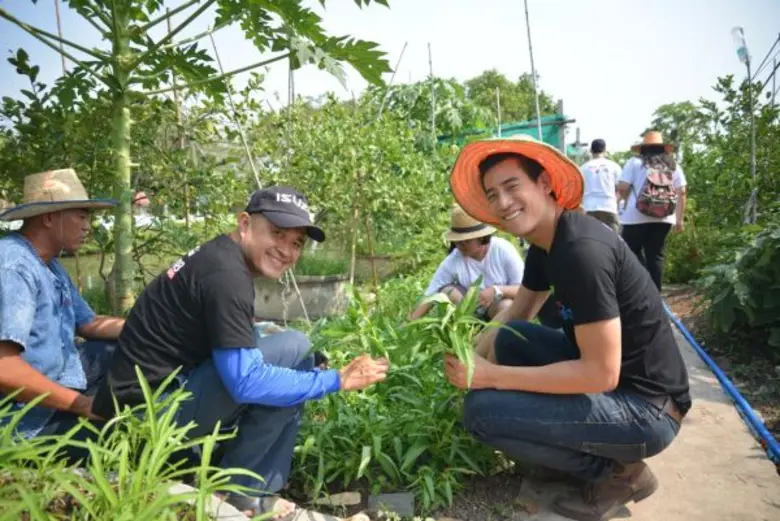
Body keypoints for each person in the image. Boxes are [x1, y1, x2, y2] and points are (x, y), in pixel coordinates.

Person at [92, 186, 389, 520]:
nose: (286, 251)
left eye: (296, 243)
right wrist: (336, 380)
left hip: (150, 403)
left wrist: (306, 369)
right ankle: (241, 491)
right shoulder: (226, 275)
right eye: (277, 233)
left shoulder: (220, 257)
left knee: (297, 353)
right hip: (146, 422)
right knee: (294, 351)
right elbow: (243, 382)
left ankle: (244, 488)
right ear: (245, 223)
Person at [446, 135, 691, 521]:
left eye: (513, 187)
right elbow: (517, 314)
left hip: (647, 411)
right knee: (512, 339)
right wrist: (469, 350)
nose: (503, 202)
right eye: (492, 194)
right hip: (620, 388)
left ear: (544, 184)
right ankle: (567, 454)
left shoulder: (581, 252)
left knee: (481, 412)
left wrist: (493, 377)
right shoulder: (546, 244)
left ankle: (618, 474)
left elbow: (600, 373)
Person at [0, 169, 125, 451]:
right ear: (49, 218)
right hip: (19, 418)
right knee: (119, 436)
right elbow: (4, 367)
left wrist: (151, 327)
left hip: (58, 373)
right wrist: (81, 405)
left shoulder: (49, 263)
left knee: (121, 351)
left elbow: (89, 323)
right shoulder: (13, 265)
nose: (87, 226)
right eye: (81, 216)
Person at [408, 204, 524, 321]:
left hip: (497, 307)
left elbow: (524, 289)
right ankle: (467, 329)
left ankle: (494, 335)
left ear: (481, 237)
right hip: (471, 311)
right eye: (458, 242)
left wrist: (497, 290)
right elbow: (431, 293)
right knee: (447, 292)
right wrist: (409, 324)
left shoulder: (502, 250)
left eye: (467, 241)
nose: (461, 246)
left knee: (506, 305)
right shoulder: (454, 259)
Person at [617, 130, 687, 291]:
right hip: (663, 217)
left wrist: (625, 197)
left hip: (635, 217)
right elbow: (681, 191)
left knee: (631, 253)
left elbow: (622, 187)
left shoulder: (634, 163)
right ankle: (656, 292)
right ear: (663, 149)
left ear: (643, 148)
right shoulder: (673, 165)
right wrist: (679, 219)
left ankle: (641, 286)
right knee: (656, 255)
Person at [580, 138, 622, 232]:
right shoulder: (614, 166)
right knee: (611, 240)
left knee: (591, 239)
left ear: (591, 150)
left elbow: (579, 190)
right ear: (605, 150)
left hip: (588, 207)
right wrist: (616, 200)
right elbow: (621, 188)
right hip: (609, 206)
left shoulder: (583, 168)